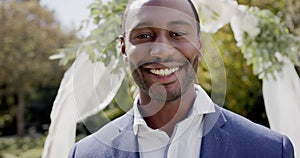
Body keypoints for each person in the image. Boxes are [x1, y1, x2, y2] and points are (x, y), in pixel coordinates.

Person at [69, 0, 294, 157]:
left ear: (200, 43)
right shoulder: (85, 154)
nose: (162, 51)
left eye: (177, 34)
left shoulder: (270, 150)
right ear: (123, 47)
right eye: (144, 35)